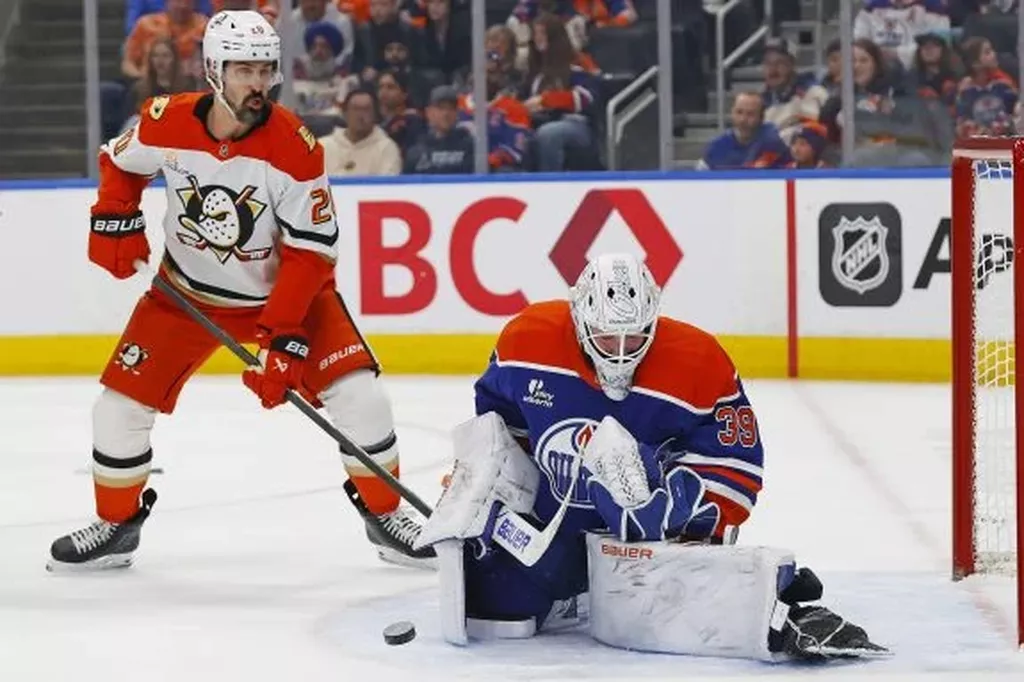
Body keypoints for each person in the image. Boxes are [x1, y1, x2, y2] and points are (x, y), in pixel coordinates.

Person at [47, 10, 435, 572]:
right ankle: (116, 525)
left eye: (265, 70)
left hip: (287, 299)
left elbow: (311, 252)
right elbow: (119, 159)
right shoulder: (164, 121)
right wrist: (114, 215)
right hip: (185, 296)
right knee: (117, 409)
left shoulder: (295, 147)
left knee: (362, 397)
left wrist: (282, 337)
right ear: (214, 70)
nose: (258, 83)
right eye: (244, 70)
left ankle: (386, 517)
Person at [413, 253, 889, 661]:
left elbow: (738, 471)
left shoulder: (700, 361)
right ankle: (566, 587)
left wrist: (674, 503)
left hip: (650, 541)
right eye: (606, 338)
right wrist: (483, 487)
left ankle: (772, 610)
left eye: (635, 337)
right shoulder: (526, 341)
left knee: (685, 604)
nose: (621, 353)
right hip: (555, 530)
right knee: (496, 613)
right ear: (579, 319)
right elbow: (499, 430)